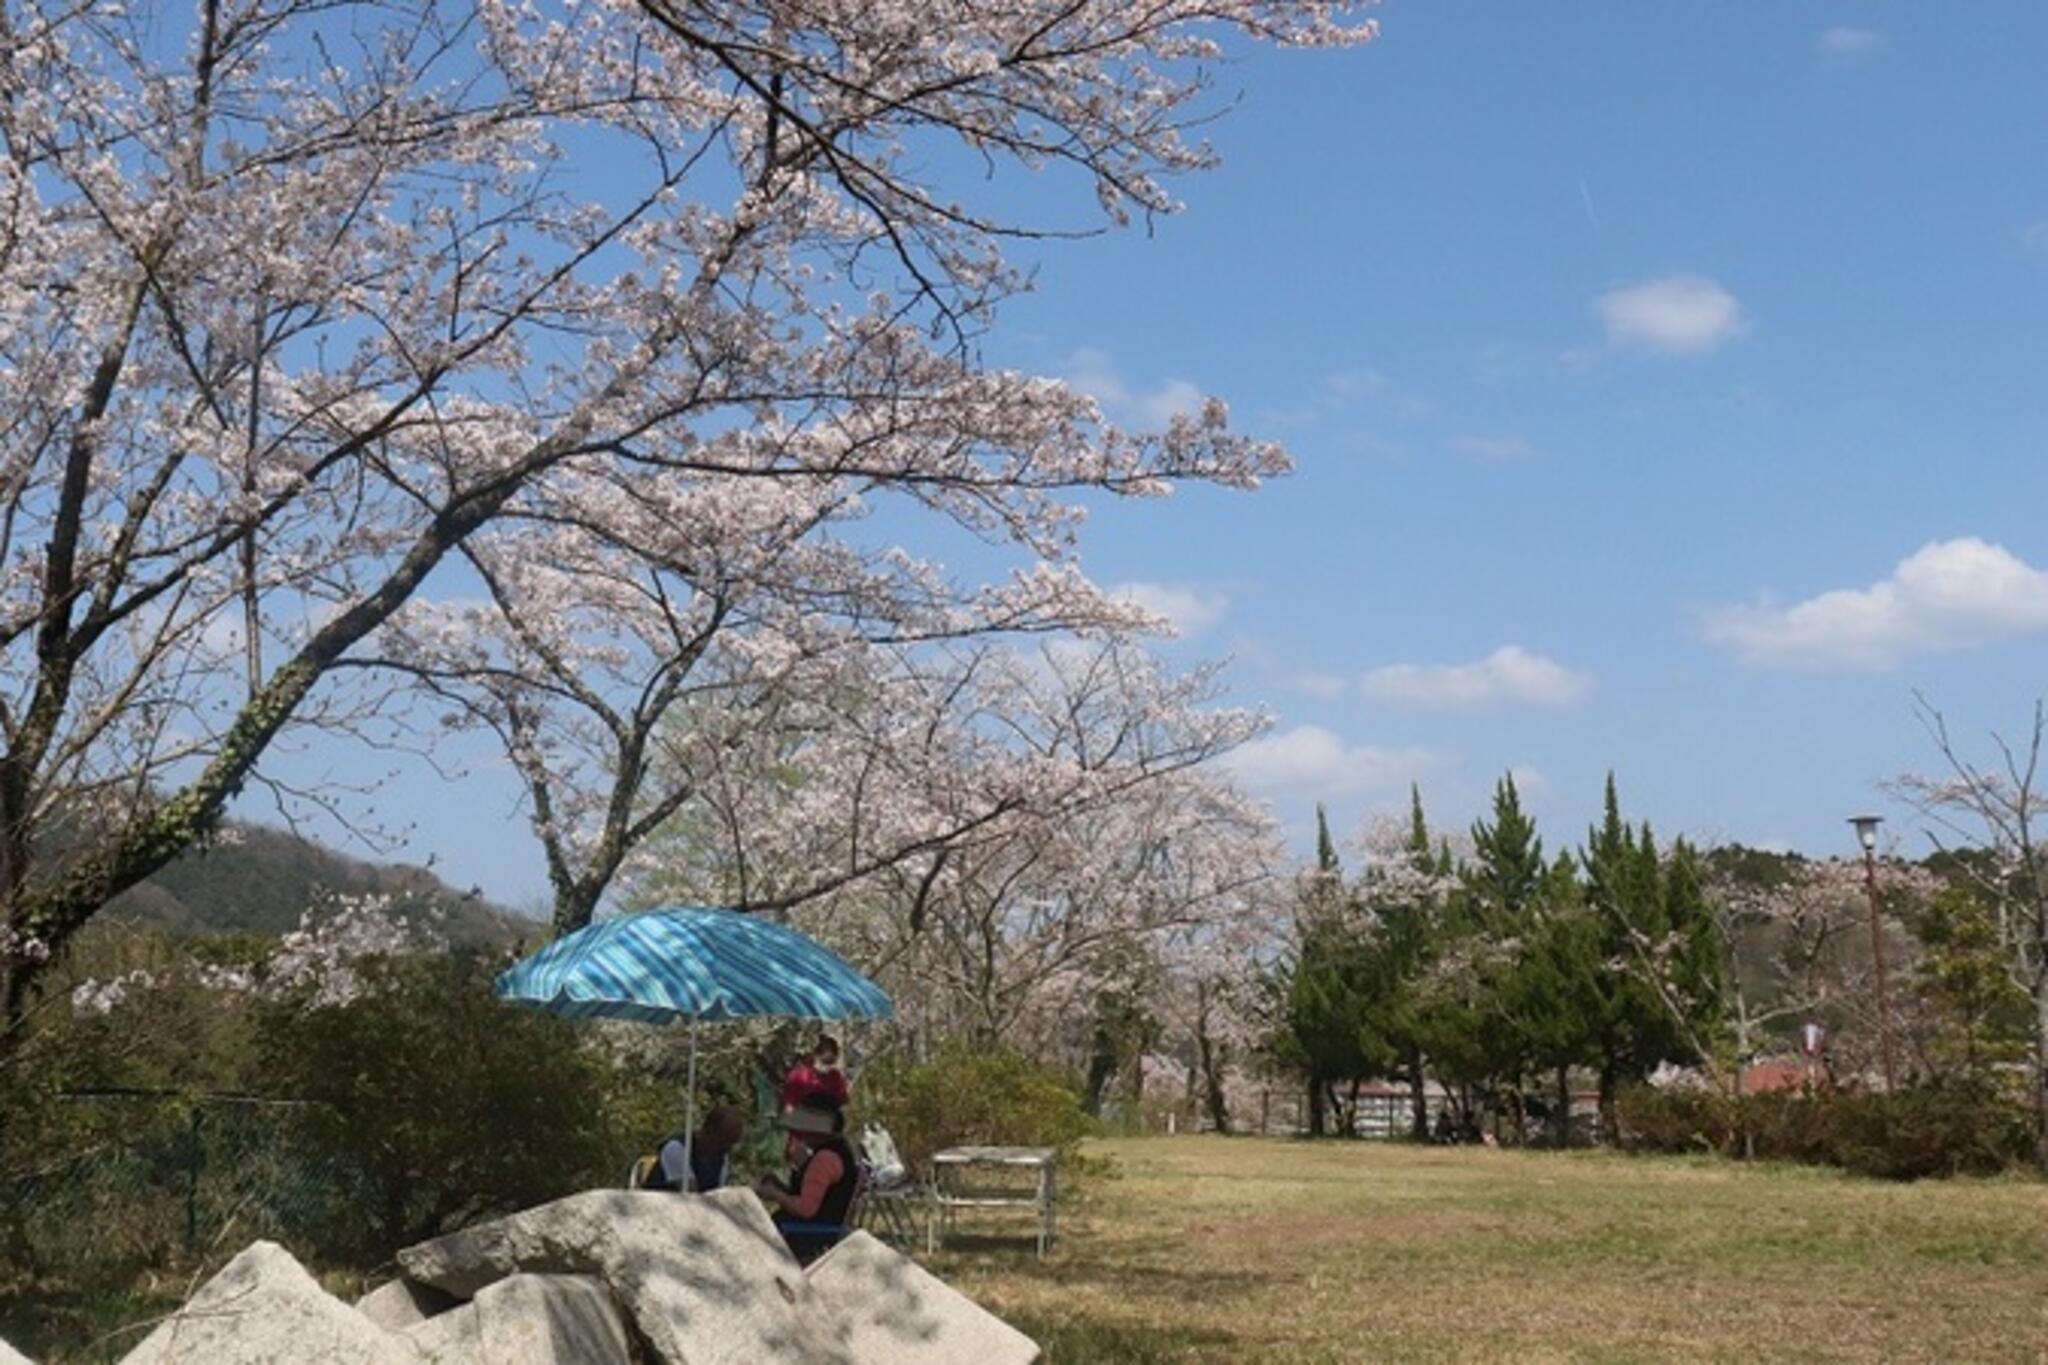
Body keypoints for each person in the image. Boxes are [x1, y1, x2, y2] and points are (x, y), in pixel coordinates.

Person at [753, 1098, 859, 1264]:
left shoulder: (824, 1159)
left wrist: (774, 1195)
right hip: (818, 1228)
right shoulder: (838, 1151)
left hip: (809, 1237)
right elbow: (810, 1197)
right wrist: (780, 1187)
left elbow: (806, 1209)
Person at [647, 1104, 746, 1193]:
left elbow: (717, 1195)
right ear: (709, 1131)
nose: (728, 1148)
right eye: (725, 1140)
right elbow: (691, 1196)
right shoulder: (676, 1149)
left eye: (733, 1142)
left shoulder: (721, 1156)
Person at [780, 1034, 851, 1113]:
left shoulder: (835, 1077)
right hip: (802, 1116)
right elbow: (789, 1103)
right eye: (823, 1063)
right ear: (816, 1056)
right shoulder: (800, 1075)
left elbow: (842, 1100)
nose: (825, 1068)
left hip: (826, 1118)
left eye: (830, 1065)